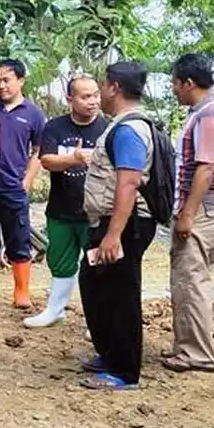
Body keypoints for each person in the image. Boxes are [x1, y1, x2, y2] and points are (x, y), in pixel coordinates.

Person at [79, 61, 159, 391]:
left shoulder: (128, 130)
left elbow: (127, 183)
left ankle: (125, 372)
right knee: (99, 287)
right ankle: (111, 354)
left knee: (122, 295)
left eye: (103, 86)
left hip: (125, 225)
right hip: (114, 222)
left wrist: (113, 235)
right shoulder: (123, 125)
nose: (100, 92)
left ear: (114, 88)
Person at [163, 54, 214, 374]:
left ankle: (197, 354)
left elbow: (204, 169)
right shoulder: (206, 112)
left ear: (188, 83)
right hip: (207, 207)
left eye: (175, 84)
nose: (174, 90)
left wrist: (187, 215)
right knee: (190, 279)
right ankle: (188, 347)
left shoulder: (209, 115)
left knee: (190, 281)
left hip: (203, 209)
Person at [24, 74, 108, 329]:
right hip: (61, 209)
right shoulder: (55, 127)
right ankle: (55, 310)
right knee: (60, 262)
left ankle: (97, 321)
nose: (92, 101)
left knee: (97, 267)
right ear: (70, 99)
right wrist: (77, 158)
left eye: (95, 95)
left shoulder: (108, 128)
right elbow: (47, 160)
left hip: (95, 211)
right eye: (85, 97)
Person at [0, 59, 45, 309]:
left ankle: (22, 292)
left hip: (14, 188)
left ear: (21, 81)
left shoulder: (34, 114)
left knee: (19, 239)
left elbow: (39, 150)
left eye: (6, 80)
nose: (1, 85)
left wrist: (28, 179)